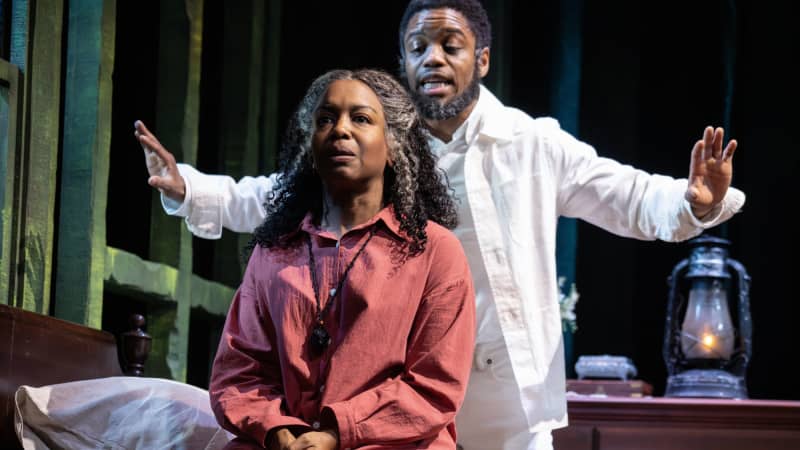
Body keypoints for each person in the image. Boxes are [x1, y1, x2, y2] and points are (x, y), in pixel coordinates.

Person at [135, 1, 745, 448]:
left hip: (508, 400)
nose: (433, 58)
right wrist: (193, 188)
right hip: (396, 391)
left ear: (480, 58)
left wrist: (693, 202)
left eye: (450, 45)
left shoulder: (533, 144)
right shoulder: (382, 147)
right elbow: (282, 195)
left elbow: (628, 196)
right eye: (417, 47)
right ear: (401, 61)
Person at [206, 68, 476, 450]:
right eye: (326, 119)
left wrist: (336, 434)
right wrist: (279, 432)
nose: (340, 130)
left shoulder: (435, 251)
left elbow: (434, 386)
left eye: (361, 118)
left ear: (394, 145)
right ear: (310, 145)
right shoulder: (274, 252)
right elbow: (238, 374)